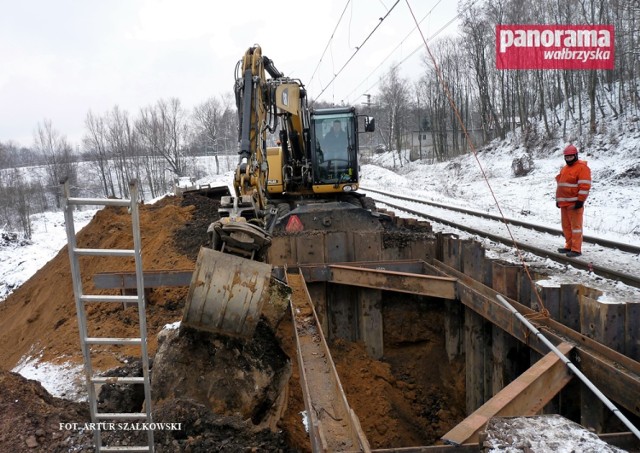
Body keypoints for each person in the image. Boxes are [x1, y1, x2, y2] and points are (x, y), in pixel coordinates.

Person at [555, 144, 591, 258]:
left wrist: (580, 201)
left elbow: (585, 186)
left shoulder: (582, 168)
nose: (568, 159)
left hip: (575, 203)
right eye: (567, 157)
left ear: (575, 155)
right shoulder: (565, 169)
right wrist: (558, 200)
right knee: (566, 226)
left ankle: (576, 249)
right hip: (564, 203)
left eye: (570, 157)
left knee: (575, 227)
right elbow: (561, 185)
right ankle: (569, 246)